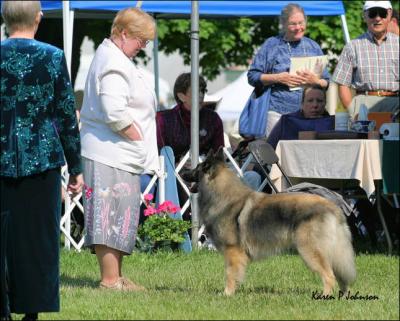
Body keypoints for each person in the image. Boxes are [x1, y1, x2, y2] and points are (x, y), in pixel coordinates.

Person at [0, 1, 83, 320]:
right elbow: (65, 115)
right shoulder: (52, 56)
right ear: (38, 17)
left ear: (5, 18)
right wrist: (75, 167)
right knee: (38, 238)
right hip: (41, 160)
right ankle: (32, 311)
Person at [79, 7, 159, 291]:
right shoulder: (112, 62)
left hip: (117, 153)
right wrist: (137, 135)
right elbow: (114, 112)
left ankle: (117, 277)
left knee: (118, 215)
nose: (143, 47)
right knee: (109, 216)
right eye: (141, 40)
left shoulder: (114, 56)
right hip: (110, 152)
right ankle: (110, 280)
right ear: (124, 34)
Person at [247, 3, 330, 137]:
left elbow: (327, 81)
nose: (298, 27)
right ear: (284, 24)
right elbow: (252, 76)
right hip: (278, 113)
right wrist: (278, 78)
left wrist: (315, 81)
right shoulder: (272, 44)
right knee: (277, 153)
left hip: (309, 116)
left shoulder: (313, 46)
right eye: (293, 24)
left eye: (301, 23)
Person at [332, 1, 399, 118]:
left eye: (382, 13)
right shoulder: (352, 46)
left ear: (389, 14)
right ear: (365, 16)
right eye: (372, 13)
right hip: (363, 105)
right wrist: (352, 111)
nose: (377, 18)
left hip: (396, 104)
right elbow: (342, 84)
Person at [267, 85, 334, 149]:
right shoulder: (287, 121)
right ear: (302, 103)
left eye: (319, 101)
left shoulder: (333, 123)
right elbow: (269, 148)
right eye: (310, 101)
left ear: (325, 103)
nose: (315, 105)